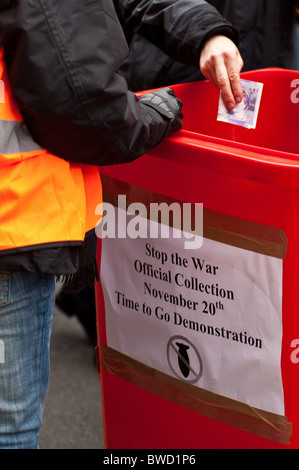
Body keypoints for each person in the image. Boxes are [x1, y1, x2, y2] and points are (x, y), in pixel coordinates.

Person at [0, 0, 243, 448]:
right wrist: (157, 114)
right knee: (9, 426)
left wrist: (207, 31)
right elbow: (88, 111)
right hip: (12, 222)